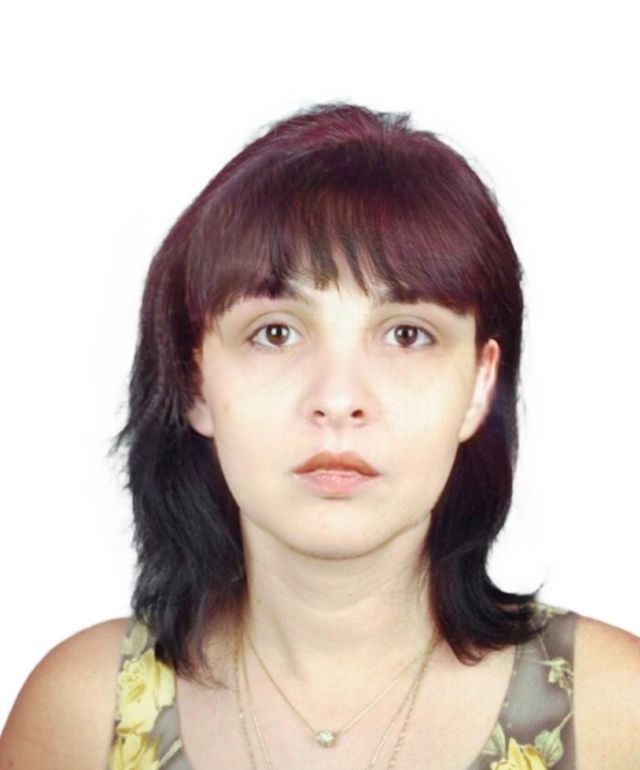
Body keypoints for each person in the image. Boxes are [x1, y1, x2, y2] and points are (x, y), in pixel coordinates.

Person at [1, 102, 638, 770]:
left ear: (479, 385)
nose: (337, 399)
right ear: (196, 383)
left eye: (407, 334)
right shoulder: (82, 713)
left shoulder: (617, 714)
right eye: (275, 332)